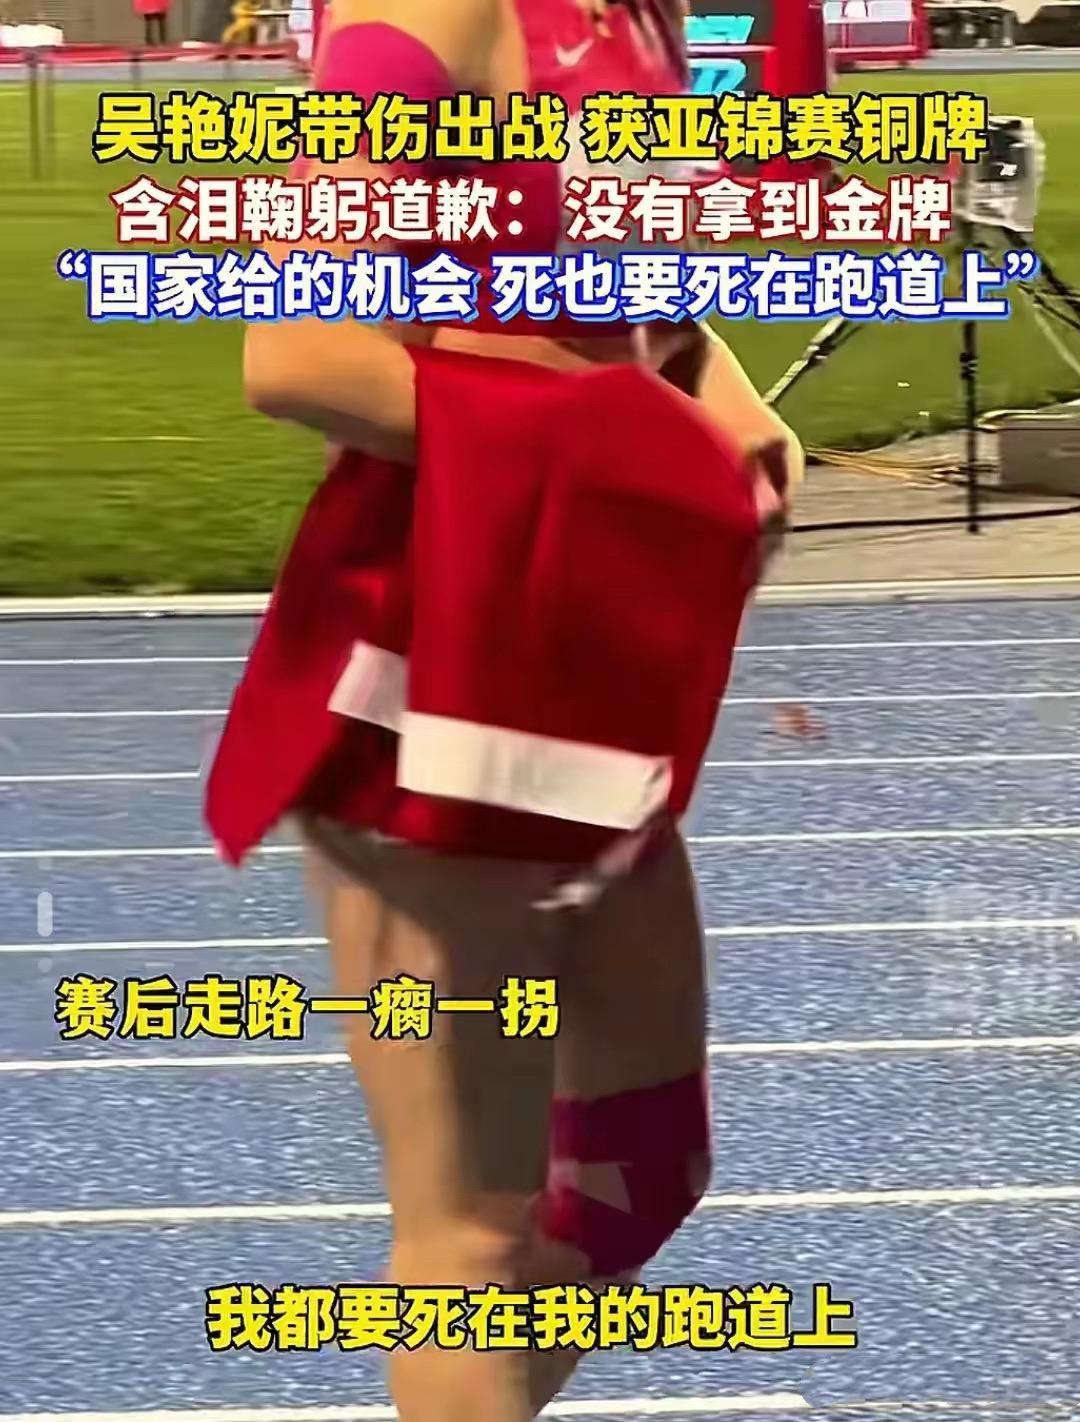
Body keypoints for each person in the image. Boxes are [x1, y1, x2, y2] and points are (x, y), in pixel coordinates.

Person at [207, 1, 803, 1419]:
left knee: (642, 1168)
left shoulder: (637, 18)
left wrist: (719, 395)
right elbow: (297, 351)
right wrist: (626, 447)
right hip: (426, 672)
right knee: (469, 1239)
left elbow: (603, 292)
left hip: (576, 669)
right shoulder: (435, 10)